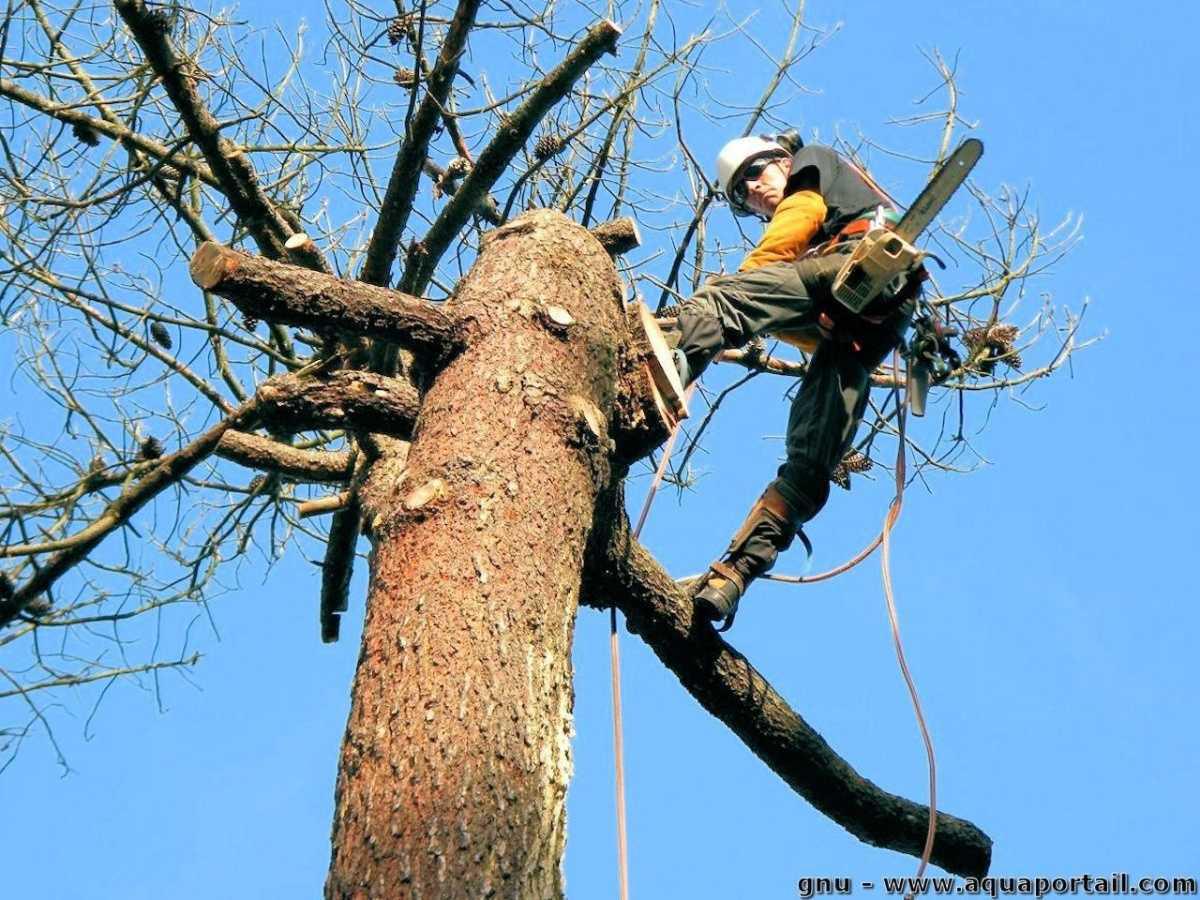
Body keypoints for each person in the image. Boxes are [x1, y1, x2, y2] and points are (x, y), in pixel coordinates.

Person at [671, 134, 920, 630]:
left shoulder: (812, 164)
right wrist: (812, 323)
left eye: (754, 174)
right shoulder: (812, 245)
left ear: (782, 161)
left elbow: (799, 215)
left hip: (858, 261)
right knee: (810, 461)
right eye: (741, 196)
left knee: (720, 299)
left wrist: (750, 279)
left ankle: (653, 370)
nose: (752, 192)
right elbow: (788, 315)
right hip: (867, 329)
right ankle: (735, 575)